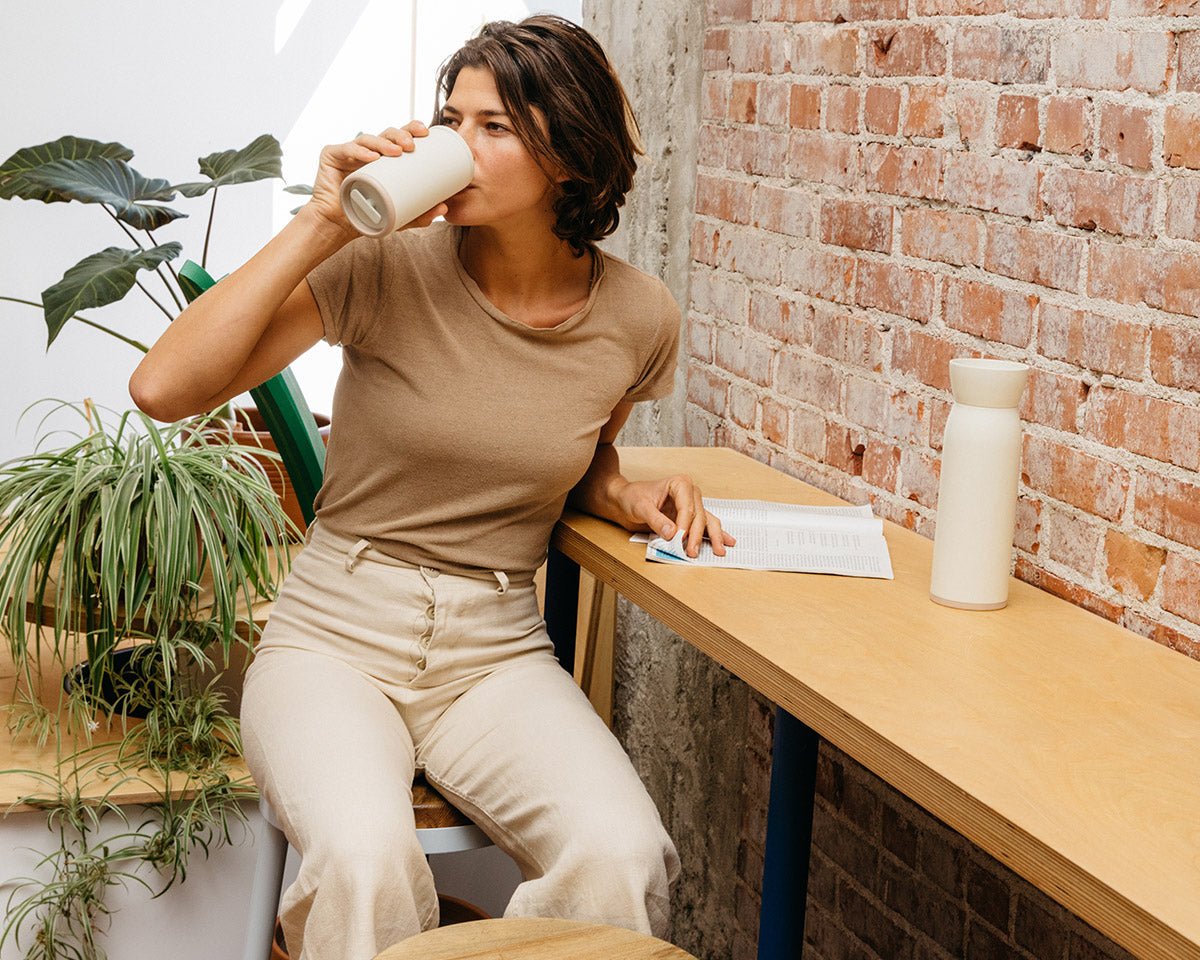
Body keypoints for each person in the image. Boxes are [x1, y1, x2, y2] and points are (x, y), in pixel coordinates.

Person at [130, 14, 734, 960]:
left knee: (623, 858)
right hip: (332, 636)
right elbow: (161, 390)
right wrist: (326, 219)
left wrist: (621, 493)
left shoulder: (638, 318)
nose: (457, 143)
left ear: (570, 156)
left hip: (494, 652)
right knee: (367, 866)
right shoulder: (382, 264)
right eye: (452, 117)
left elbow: (569, 453)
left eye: (494, 126)